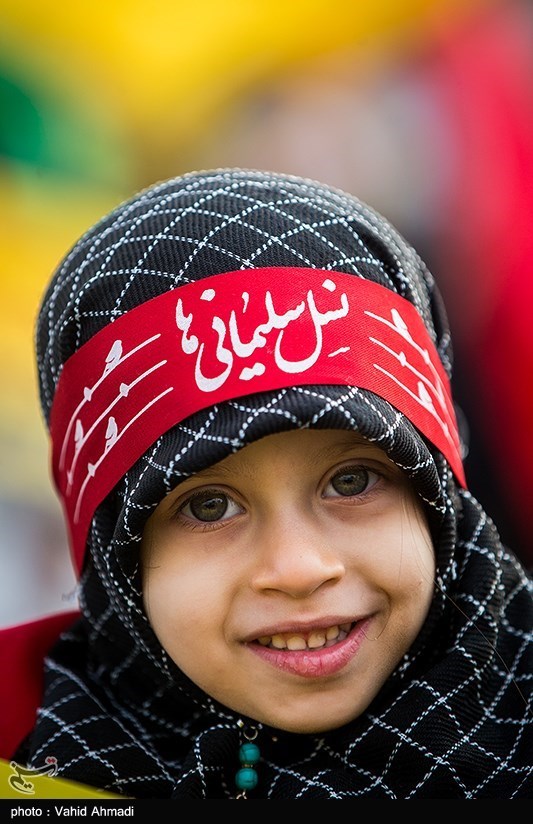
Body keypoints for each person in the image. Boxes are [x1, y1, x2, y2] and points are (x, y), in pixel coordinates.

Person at [2, 168, 532, 799]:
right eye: (208, 506)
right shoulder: (36, 770)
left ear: (436, 496)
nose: (299, 569)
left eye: (351, 481)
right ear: (118, 559)